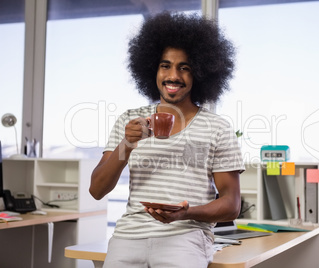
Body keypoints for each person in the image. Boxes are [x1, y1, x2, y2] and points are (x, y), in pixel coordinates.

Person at [89, 11, 244, 268]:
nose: (174, 76)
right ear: (153, 69)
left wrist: (187, 213)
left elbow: (231, 204)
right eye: (166, 66)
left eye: (185, 68)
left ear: (200, 74)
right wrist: (126, 145)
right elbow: (96, 190)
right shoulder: (130, 121)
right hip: (128, 236)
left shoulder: (217, 127)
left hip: (186, 237)